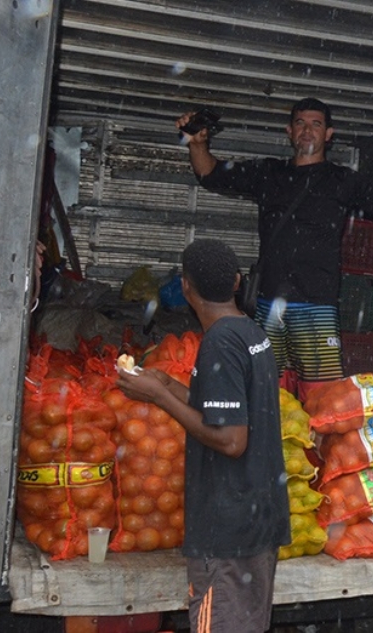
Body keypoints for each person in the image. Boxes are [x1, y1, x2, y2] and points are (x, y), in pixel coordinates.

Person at [176, 98, 373, 398]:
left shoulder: (343, 180)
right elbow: (211, 174)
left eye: (316, 124)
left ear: (328, 134)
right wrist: (197, 143)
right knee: (265, 393)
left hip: (317, 305)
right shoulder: (269, 173)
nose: (307, 130)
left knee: (322, 397)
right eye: (300, 123)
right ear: (289, 132)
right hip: (269, 305)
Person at [116, 239, 290, 633]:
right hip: (257, 520)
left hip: (227, 531)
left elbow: (231, 439)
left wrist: (158, 395)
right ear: (236, 282)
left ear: (186, 287)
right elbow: (225, 407)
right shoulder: (250, 333)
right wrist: (164, 383)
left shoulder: (220, 343)